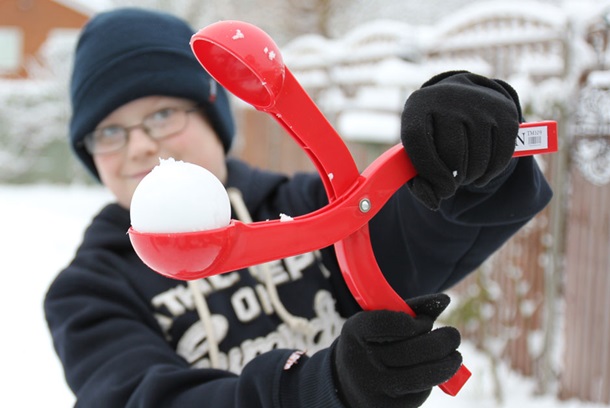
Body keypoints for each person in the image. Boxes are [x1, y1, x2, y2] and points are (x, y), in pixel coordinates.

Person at [44, 7, 552, 408]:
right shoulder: (89, 291)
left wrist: (466, 151)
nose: (138, 146)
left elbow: (419, 232)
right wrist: (318, 390)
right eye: (109, 130)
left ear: (214, 116)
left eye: (162, 113)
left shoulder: (308, 206)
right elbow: (139, 398)